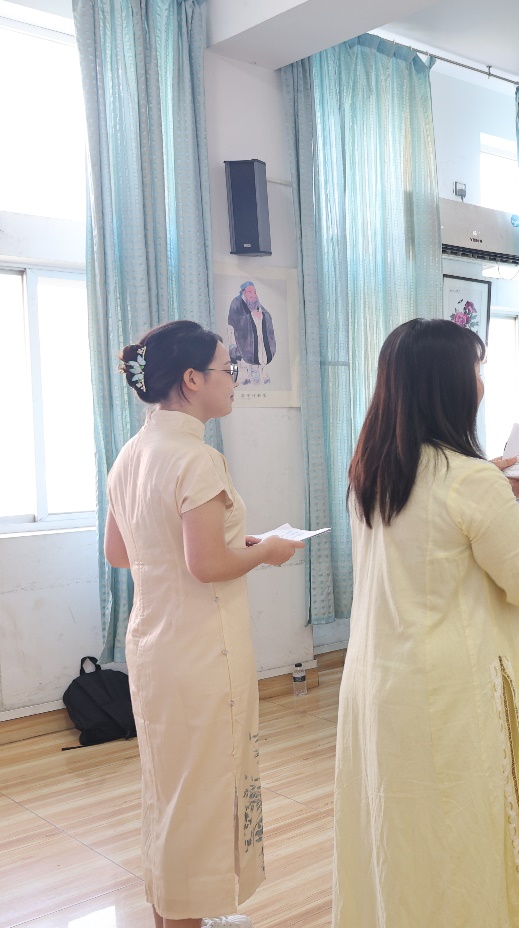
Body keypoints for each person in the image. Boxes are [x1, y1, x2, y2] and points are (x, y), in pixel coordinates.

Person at [333, 319, 519, 927]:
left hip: (380, 679)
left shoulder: (372, 470)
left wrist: (493, 479)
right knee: (461, 836)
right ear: (448, 386)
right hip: (451, 687)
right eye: (475, 372)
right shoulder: (467, 481)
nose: (481, 387)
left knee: (401, 833)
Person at [104, 321, 303, 928]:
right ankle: (189, 916)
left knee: (171, 788)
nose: (234, 381)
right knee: (203, 791)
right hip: (200, 650)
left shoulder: (131, 454)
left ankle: (172, 914)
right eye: (227, 370)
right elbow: (208, 564)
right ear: (192, 381)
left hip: (153, 644)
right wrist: (265, 550)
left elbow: (121, 552)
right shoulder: (196, 456)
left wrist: (219, 542)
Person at [226, 281, 277, 387]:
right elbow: (233, 320)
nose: (253, 295)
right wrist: (250, 317)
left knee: (260, 350)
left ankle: (259, 374)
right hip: (238, 337)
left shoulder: (255, 301)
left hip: (255, 336)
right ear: (243, 292)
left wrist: (261, 316)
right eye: (249, 292)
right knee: (239, 358)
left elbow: (265, 314)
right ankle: (242, 377)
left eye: (254, 292)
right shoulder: (236, 302)